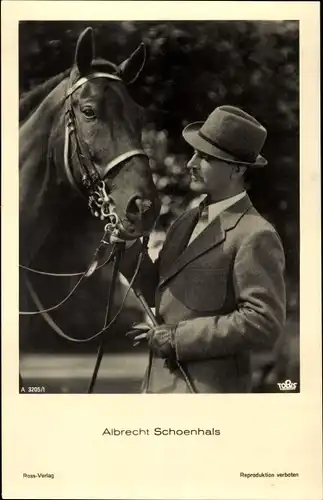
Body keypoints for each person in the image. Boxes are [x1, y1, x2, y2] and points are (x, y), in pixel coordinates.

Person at [118, 105, 286, 393]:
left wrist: (177, 338)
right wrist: (128, 240)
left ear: (237, 168)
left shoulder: (256, 234)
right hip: (157, 390)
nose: (190, 164)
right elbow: (159, 290)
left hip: (207, 397)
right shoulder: (184, 223)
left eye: (205, 157)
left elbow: (263, 322)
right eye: (194, 153)